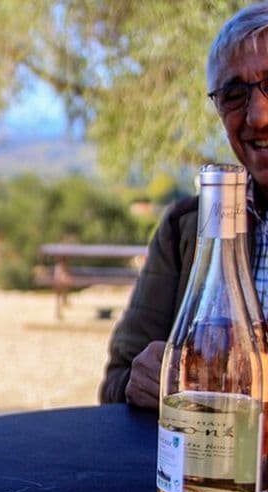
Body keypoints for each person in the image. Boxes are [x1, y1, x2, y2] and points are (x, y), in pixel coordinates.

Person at [100, 2, 268, 410]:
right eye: (233, 94)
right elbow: (116, 382)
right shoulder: (186, 227)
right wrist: (143, 381)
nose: (258, 116)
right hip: (206, 472)